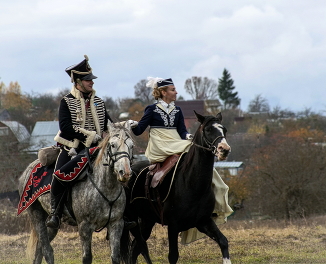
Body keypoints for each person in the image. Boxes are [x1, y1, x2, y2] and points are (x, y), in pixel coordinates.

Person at [129, 77, 233, 243]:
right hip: (159, 144)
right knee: (193, 150)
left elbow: (182, 131)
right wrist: (131, 124)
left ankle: (214, 194)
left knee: (196, 153)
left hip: (176, 142)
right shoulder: (151, 109)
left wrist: (189, 136)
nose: (176, 92)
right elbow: (139, 130)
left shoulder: (177, 111)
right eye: (173, 89)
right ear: (163, 92)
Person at [45, 55, 113, 229]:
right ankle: (55, 213)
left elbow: (108, 123)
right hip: (73, 148)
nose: (92, 83)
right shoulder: (66, 101)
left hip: (97, 148)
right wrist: (89, 136)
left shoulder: (98, 102)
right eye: (88, 80)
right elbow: (66, 127)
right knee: (59, 176)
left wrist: (122, 128)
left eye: (92, 79)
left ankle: (121, 214)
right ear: (77, 81)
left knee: (120, 169)